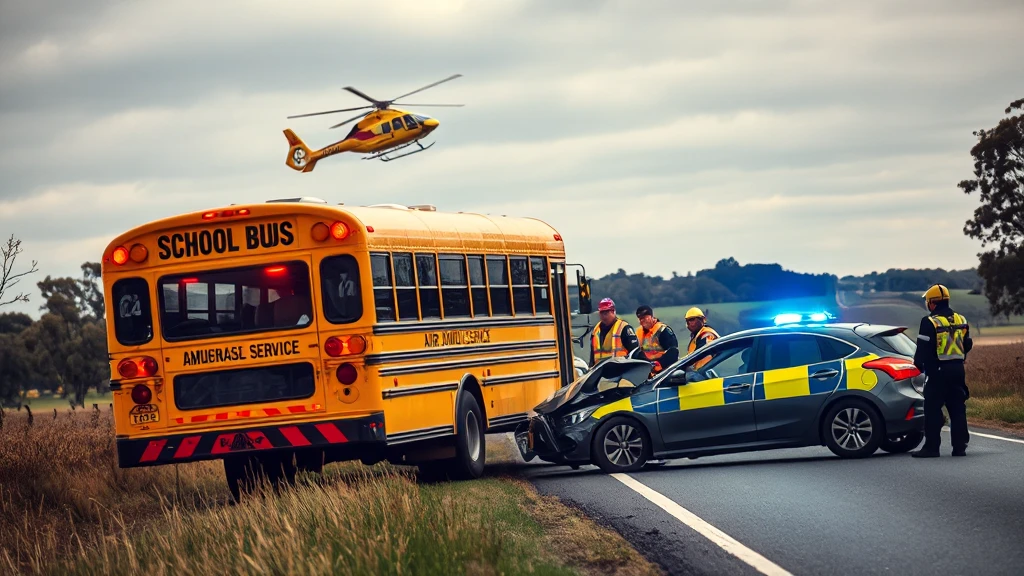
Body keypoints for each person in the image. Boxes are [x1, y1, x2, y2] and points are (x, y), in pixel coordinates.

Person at [912, 284, 972, 458]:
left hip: (937, 373)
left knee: (932, 409)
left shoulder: (929, 321)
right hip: (958, 370)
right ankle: (960, 447)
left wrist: (920, 367)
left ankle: (932, 448)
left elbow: (922, 350)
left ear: (932, 303)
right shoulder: (961, 319)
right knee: (957, 409)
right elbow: (967, 344)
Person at [589, 298, 639, 367]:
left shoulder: (624, 328)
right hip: (600, 371)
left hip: (620, 370)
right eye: (601, 312)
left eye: (606, 312)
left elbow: (635, 352)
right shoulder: (595, 330)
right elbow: (592, 355)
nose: (604, 315)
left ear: (613, 312)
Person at [635, 305, 679, 373]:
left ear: (651, 316)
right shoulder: (638, 333)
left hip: (664, 368)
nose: (641, 321)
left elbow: (673, 352)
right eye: (640, 319)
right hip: (646, 369)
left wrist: (659, 365)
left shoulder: (662, 330)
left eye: (644, 318)